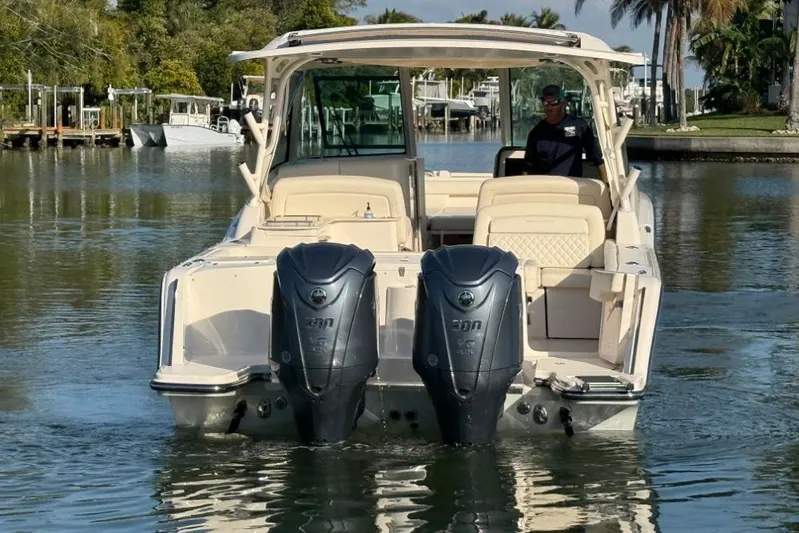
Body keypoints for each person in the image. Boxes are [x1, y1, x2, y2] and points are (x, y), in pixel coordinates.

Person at [523, 84, 608, 182]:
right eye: (545, 102)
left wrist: (607, 187)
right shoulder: (536, 133)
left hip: (571, 187)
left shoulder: (579, 126)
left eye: (554, 102)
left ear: (563, 103)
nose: (549, 107)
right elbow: (527, 168)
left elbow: (597, 158)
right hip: (544, 188)